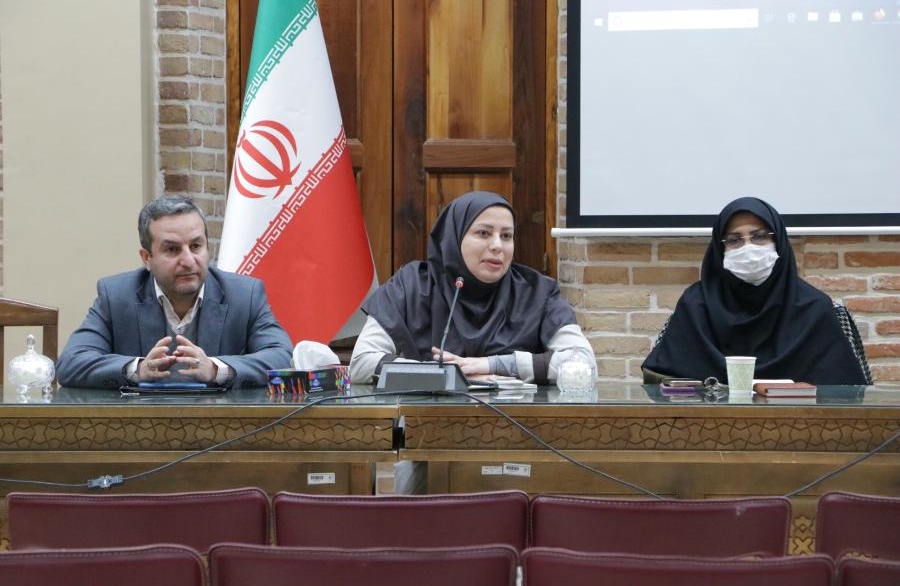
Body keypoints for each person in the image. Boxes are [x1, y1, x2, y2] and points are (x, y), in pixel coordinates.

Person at [351, 191, 595, 385]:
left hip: (517, 427)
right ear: (454, 237)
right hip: (422, 425)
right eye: (484, 233)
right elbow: (362, 363)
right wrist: (445, 376)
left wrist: (491, 365)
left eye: (506, 236)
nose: (497, 245)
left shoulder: (537, 292)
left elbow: (584, 366)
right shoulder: (411, 285)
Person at [57, 195, 293, 388]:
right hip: (141, 426)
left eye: (196, 246)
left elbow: (284, 358)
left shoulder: (245, 294)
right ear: (147, 258)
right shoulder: (117, 296)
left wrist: (216, 369)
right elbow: (71, 363)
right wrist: (138, 369)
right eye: (172, 249)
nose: (188, 261)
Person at [642, 197, 866, 385]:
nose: (748, 248)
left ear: (778, 240)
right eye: (734, 240)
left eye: (760, 237)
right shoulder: (695, 306)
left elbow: (849, 396)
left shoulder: (816, 309)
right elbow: (659, 385)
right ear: (719, 250)